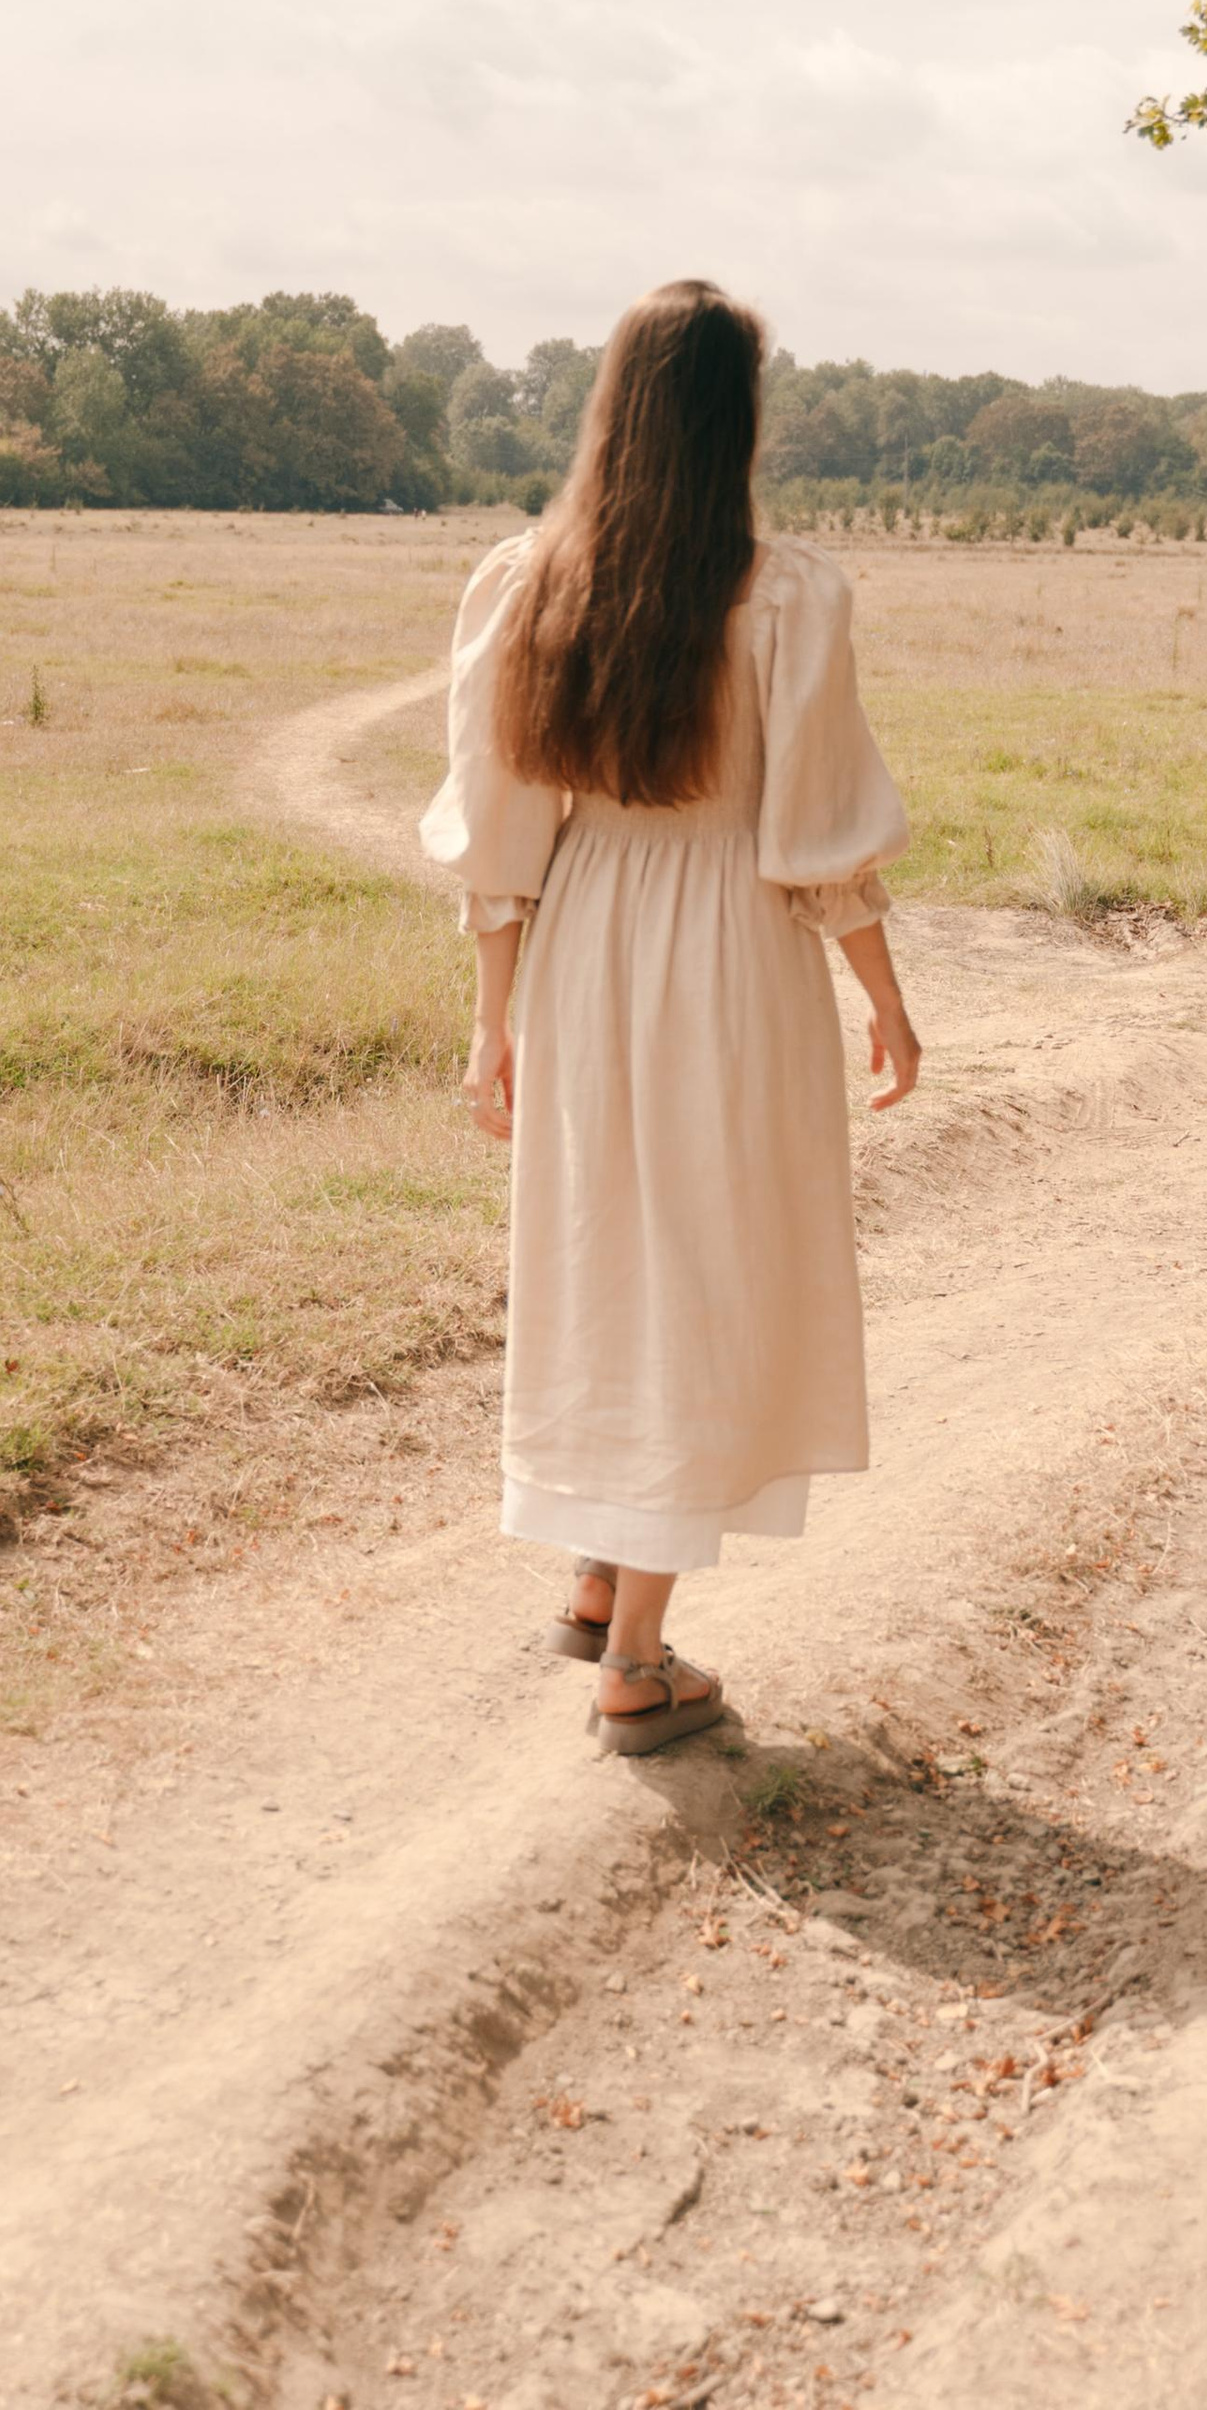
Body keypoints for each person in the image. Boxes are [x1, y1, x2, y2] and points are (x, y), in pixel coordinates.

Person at [419, 278, 922, 1756]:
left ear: (614, 408)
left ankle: (596, 1575)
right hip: (730, 961)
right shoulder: (786, 593)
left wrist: (494, 1017)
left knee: (606, 1258)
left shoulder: (532, 579)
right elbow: (819, 833)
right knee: (702, 1273)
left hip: (582, 949)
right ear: (737, 420)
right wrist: (886, 1002)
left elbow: (503, 836)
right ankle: (636, 1660)